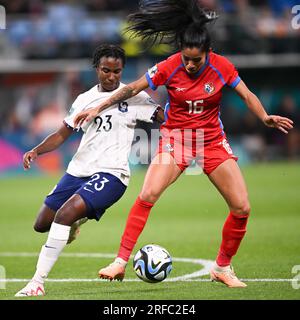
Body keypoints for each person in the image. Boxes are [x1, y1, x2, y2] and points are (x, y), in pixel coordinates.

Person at [74, 0, 294, 288]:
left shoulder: (222, 67)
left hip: (211, 140)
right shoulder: (169, 66)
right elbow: (130, 89)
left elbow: (246, 94)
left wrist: (264, 117)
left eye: (196, 60)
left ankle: (222, 268)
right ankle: (119, 262)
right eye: (186, 59)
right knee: (148, 193)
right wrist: (96, 109)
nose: (189, 65)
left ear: (208, 53)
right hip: (176, 139)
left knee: (241, 207)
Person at [15, 44, 164, 297]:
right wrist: (37, 150)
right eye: (106, 70)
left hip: (112, 173)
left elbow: (162, 116)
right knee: (42, 224)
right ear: (97, 69)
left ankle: (36, 283)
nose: (111, 76)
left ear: (122, 71)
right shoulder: (84, 99)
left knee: (64, 214)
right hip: (78, 170)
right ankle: (75, 223)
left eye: (117, 71)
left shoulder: (134, 96)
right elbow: (62, 134)